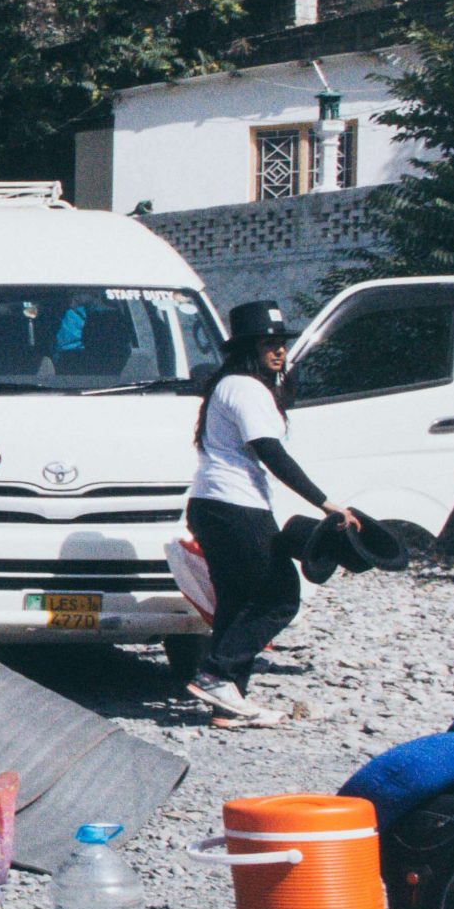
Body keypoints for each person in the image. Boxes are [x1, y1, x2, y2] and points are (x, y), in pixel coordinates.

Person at [183, 300, 358, 726]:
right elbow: (270, 451)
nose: (279, 352)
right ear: (247, 349)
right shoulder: (245, 387)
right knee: (279, 596)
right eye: (268, 344)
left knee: (238, 600)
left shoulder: (229, 386)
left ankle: (230, 702)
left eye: (281, 343)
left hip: (216, 504)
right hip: (233, 505)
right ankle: (216, 673)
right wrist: (324, 502)